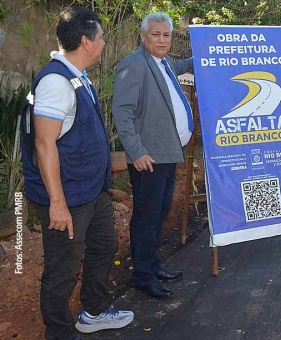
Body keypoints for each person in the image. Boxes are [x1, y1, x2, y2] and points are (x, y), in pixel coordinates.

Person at [20, 7, 134, 340]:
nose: (102, 45)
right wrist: (57, 203)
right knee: (62, 270)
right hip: (67, 196)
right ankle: (59, 332)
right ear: (86, 41)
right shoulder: (56, 82)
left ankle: (94, 312)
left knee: (103, 246)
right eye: (99, 38)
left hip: (90, 192)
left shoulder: (78, 78)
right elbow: (44, 144)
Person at [112, 12, 194, 299]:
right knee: (147, 217)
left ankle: (152, 263)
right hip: (149, 158)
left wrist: (211, 52)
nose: (162, 40)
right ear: (143, 36)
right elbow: (122, 113)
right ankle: (143, 276)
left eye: (166, 35)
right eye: (156, 34)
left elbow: (184, 64)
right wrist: (136, 152)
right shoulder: (133, 64)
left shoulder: (164, 63)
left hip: (168, 153)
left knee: (159, 213)